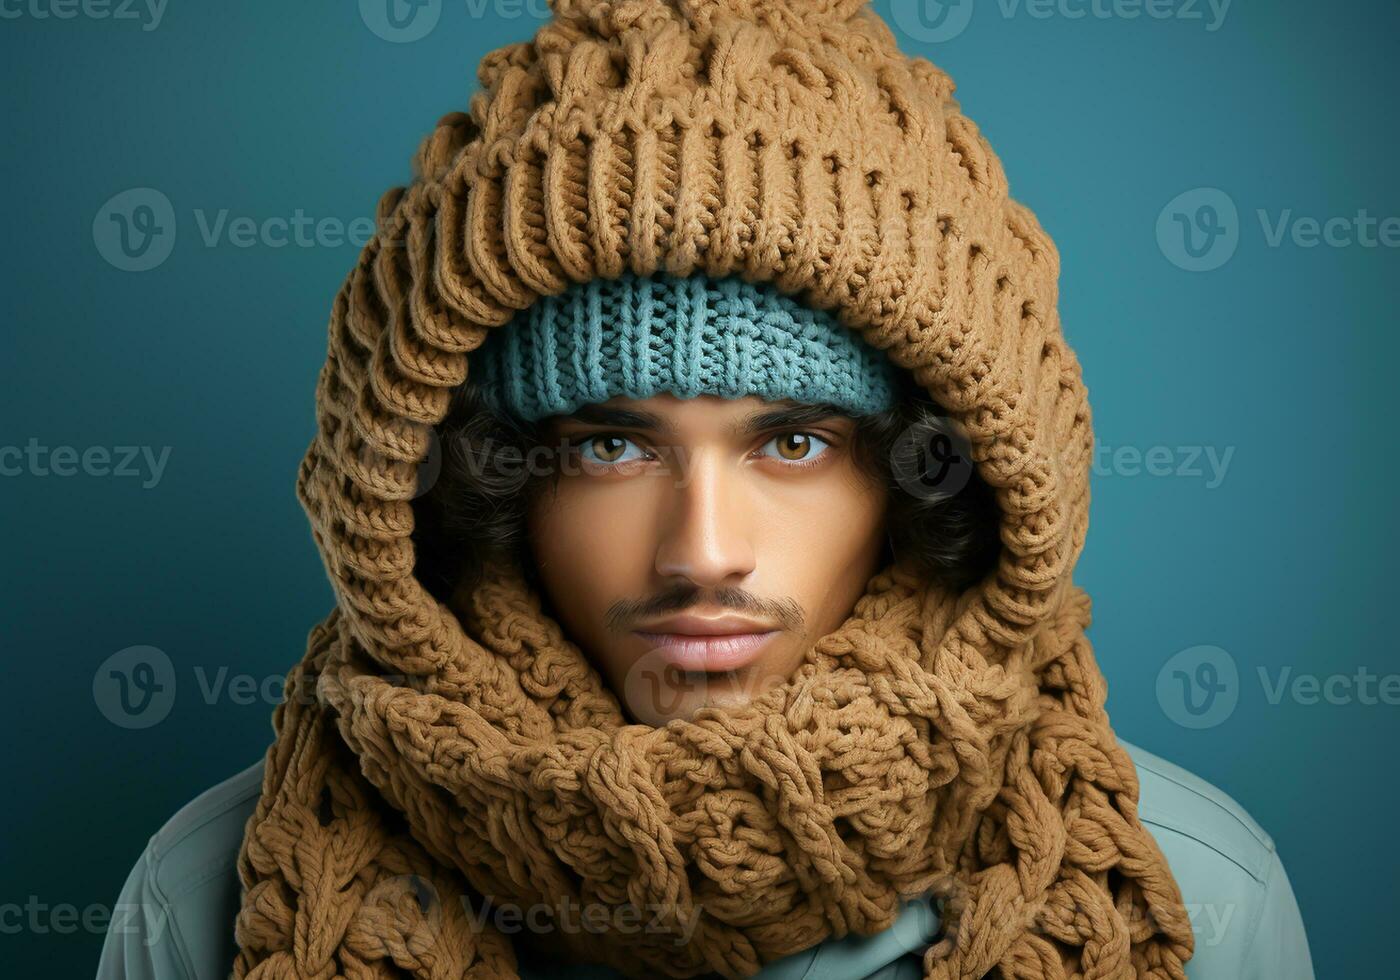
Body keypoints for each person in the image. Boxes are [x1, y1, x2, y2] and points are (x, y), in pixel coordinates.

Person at [98, 0, 1313, 976]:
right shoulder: (209, 895)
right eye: (609, 446)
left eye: (792, 443)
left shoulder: (1197, 895)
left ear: (923, 477)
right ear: (486, 477)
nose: (703, 550)